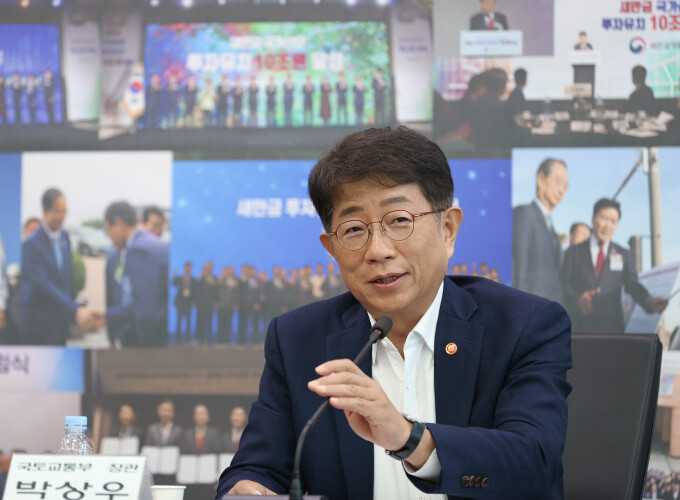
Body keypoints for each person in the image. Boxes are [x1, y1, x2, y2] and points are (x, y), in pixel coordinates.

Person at [218, 126, 572, 498]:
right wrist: (248, 489)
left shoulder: (523, 326)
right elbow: (257, 468)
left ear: (448, 229)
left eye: (399, 220)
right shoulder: (298, 339)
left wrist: (407, 438)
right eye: (354, 229)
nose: (378, 250)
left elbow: (534, 463)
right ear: (332, 248)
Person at [561, 198, 667, 334]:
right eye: (604, 219)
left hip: (612, 330)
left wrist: (648, 301)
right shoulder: (573, 253)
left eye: (613, 221)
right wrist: (577, 299)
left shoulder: (623, 254)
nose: (608, 225)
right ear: (593, 218)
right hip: (579, 329)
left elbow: (632, 284)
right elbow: (563, 286)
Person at [21, 188, 101, 345]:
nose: (61, 217)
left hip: (60, 326)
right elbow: (43, 285)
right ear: (45, 211)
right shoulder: (31, 244)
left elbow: (66, 279)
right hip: (39, 327)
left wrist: (73, 313)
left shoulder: (65, 237)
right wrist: (75, 310)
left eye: (64, 211)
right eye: (57, 211)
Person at [103, 201, 169, 347]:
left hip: (147, 342)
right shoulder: (146, 242)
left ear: (118, 224)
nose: (109, 236)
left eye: (108, 230)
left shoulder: (139, 249)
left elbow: (145, 309)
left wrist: (107, 317)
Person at [513, 158, 568, 304]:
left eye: (565, 186)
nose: (562, 190)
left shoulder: (551, 227)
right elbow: (520, 270)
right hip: (530, 309)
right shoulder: (524, 214)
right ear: (541, 179)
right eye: (558, 182)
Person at [195, 260, 219, 344]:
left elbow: (216, 291)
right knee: (200, 321)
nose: (208, 268)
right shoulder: (201, 277)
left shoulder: (215, 278)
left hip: (211, 303)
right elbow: (197, 288)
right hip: (201, 303)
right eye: (207, 267)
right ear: (205, 267)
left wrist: (216, 302)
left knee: (209, 321)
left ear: (212, 268)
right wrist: (201, 276)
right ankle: (199, 339)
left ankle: (209, 340)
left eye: (210, 267)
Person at [173, 261, 196, 344]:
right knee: (178, 321)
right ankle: (177, 340)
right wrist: (174, 276)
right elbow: (173, 283)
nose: (187, 269)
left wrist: (193, 301)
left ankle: (187, 340)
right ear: (184, 268)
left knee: (188, 322)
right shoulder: (179, 278)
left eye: (189, 267)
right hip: (180, 302)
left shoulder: (193, 279)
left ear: (191, 268)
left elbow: (195, 290)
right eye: (186, 267)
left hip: (188, 303)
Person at [217, 265, 238, 344]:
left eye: (231, 271)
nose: (230, 272)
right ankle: (220, 340)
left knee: (229, 323)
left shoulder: (235, 281)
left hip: (231, 306)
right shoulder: (221, 280)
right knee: (221, 323)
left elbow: (237, 294)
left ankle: (228, 340)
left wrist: (235, 304)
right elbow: (217, 292)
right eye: (229, 271)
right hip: (222, 305)